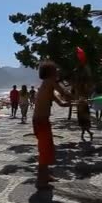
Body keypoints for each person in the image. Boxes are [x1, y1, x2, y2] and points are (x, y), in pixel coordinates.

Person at [32, 61, 72, 189]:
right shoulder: (49, 82)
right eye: (56, 70)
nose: (58, 72)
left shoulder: (46, 85)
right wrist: (76, 93)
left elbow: (62, 103)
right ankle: (40, 181)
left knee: (48, 148)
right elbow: (65, 94)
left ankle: (46, 175)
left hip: (42, 121)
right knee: (45, 150)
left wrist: (75, 103)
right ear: (50, 73)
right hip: (40, 122)